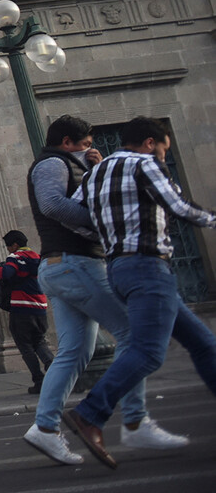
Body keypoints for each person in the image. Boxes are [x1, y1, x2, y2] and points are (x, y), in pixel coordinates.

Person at [21, 115, 185, 466]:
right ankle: (135, 419)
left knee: (75, 351)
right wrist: (99, 221)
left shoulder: (73, 164)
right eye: (85, 145)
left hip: (61, 267)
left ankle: (45, 428)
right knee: (133, 333)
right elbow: (52, 204)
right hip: (76, 263)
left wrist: (93, 171)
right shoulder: (52, 163)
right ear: (67, 142)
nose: (91, 150)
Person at [61, 116, 216, 469]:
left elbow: (73, 216)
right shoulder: (146, 164)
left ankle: (94, 414)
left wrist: (105, 236)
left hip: (119, 267)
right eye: (163, 149)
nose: (163, 156)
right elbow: (179, 207)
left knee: (204, 344)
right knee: (147, 352)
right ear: (150, 143)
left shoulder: (96, 173)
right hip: (148, 266)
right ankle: (89, 413)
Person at [0, 230, 53, 393]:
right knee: (39, 341)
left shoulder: (16, 257)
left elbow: (5, 273)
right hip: (40, 307)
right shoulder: (37, 257)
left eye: (8, 246)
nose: (8, 249)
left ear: (15, 245)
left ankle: (39, 381)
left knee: (25, 345)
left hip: (22, 309)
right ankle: (54, 370)